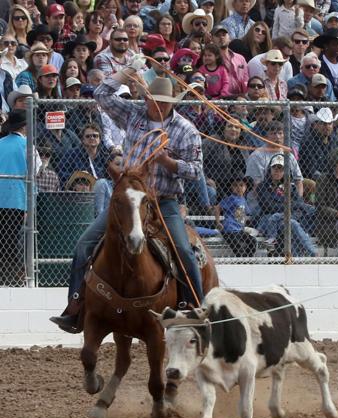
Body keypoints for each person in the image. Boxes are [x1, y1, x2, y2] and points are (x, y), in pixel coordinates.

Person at [50, 63, 205, 333]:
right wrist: (128, 71)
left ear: (172, 103)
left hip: (163, 201)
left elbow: (196, 171)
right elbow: (101, 94)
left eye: (163, 102)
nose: (157, 105)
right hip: (127, 201)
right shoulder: (134, 114)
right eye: (153, 100)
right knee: (84, 244)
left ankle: (195, 308)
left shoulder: (185, 129)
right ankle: (76, 307)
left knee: (183, 250)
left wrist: (168, 162)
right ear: (146, 99)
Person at [0, 110, 30, 287]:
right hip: (17, 199)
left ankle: (6, 275)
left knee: (3, 238)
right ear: (25, 127)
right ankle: (9, 277)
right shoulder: (27, 146)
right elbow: (36, 170)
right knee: (11, 240)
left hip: (1, 196)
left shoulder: (0, 143)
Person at [215, 177, 258, 258]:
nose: (238, 188)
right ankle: (242, 261)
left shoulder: (243, 199)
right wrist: (218, 222)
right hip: (229, 230)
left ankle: (247, 260)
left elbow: (247, 213)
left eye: (241, 185)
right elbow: (217, 207)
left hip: (239, 230)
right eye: (235, 185)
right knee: (238, 248)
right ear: (231, 187)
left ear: (246, 187)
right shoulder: (232, 198)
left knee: (253, 242)